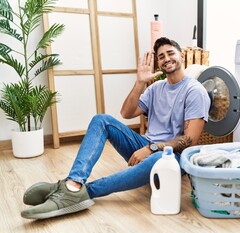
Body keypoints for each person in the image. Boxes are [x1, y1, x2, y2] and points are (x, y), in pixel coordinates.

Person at [20, 37, 211, 219]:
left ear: (182, 56)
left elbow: (189, 140)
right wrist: (139, 83)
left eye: (171, 53)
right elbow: (126, 113)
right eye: (161, 56)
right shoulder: (156, 88)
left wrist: (151, 148)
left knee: (155, 160)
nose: (167, 59)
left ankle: (76, 191)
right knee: (101, 120)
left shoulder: (195, 92)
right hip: (145, 145)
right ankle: (74, 182)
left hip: (171, 156)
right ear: (158, 63)